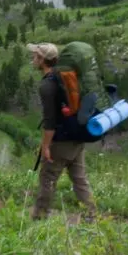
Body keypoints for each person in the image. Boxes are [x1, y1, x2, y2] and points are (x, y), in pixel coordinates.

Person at [29, 42, 96, 220]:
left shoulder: (47, 86)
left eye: (35, 55)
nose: (32, 58)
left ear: (43, 60)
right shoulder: (68, 77)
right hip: (77, 136)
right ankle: (92, 218)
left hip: (60, 141)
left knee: (47, 178)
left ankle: (39, 218)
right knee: (80, 179)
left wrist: (46, 146)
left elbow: (50, 122)